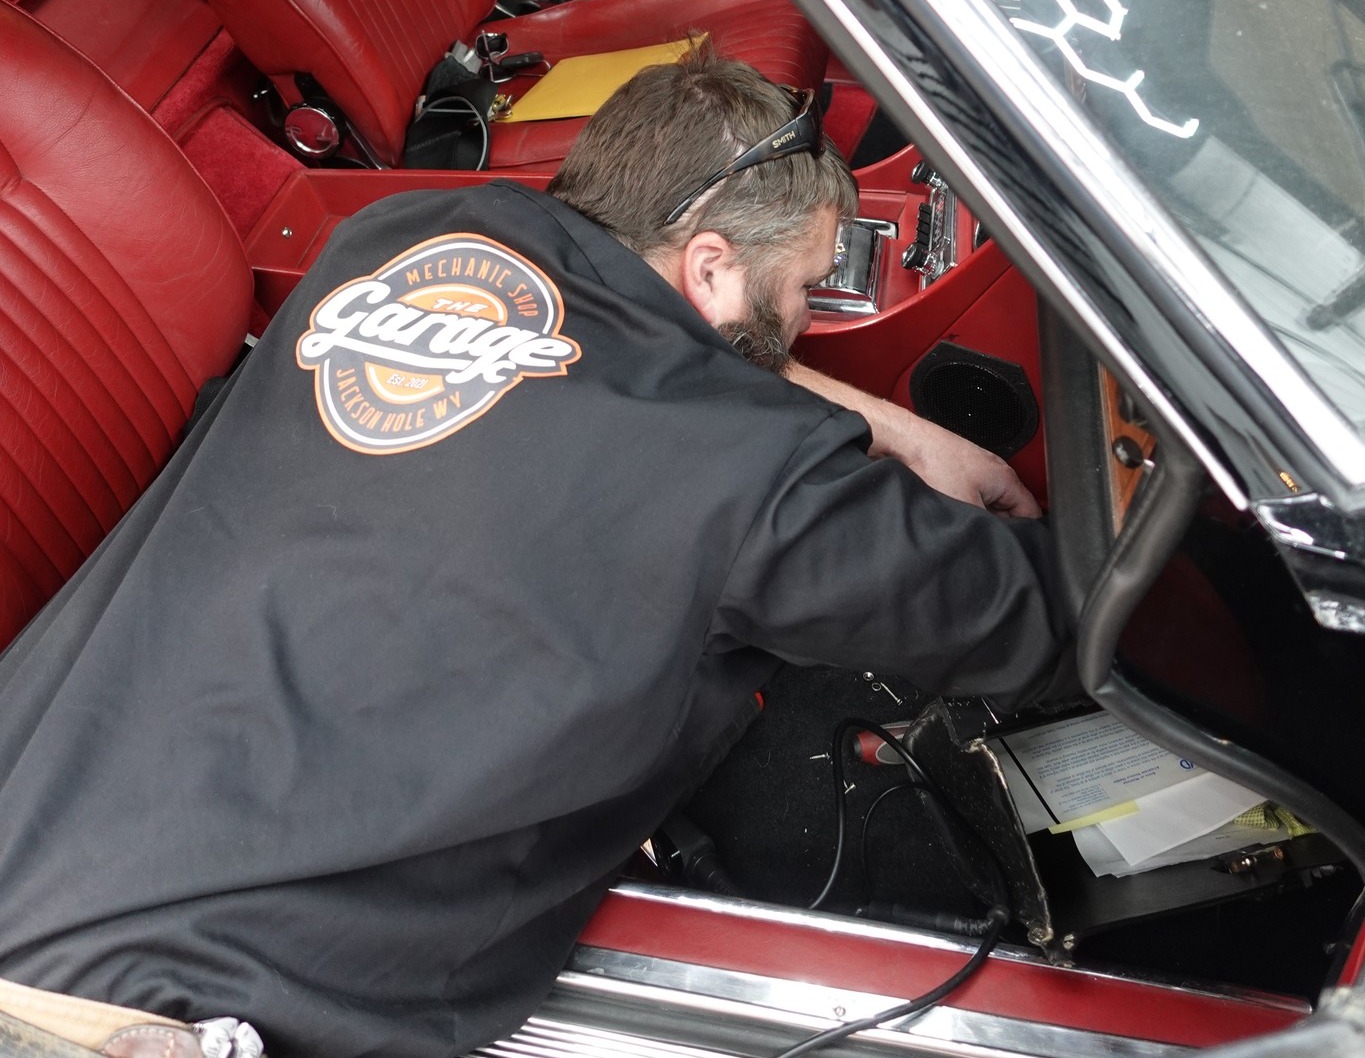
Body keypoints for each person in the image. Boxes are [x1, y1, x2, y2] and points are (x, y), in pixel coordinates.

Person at [0, 52, 1074, 1058]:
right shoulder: (748, 479)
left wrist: (898, 429)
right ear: (709, 266)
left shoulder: (399, 239)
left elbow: (611, 333)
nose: (801, 319)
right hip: (144, 1014)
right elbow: (1033, 615)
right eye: (798, 292)